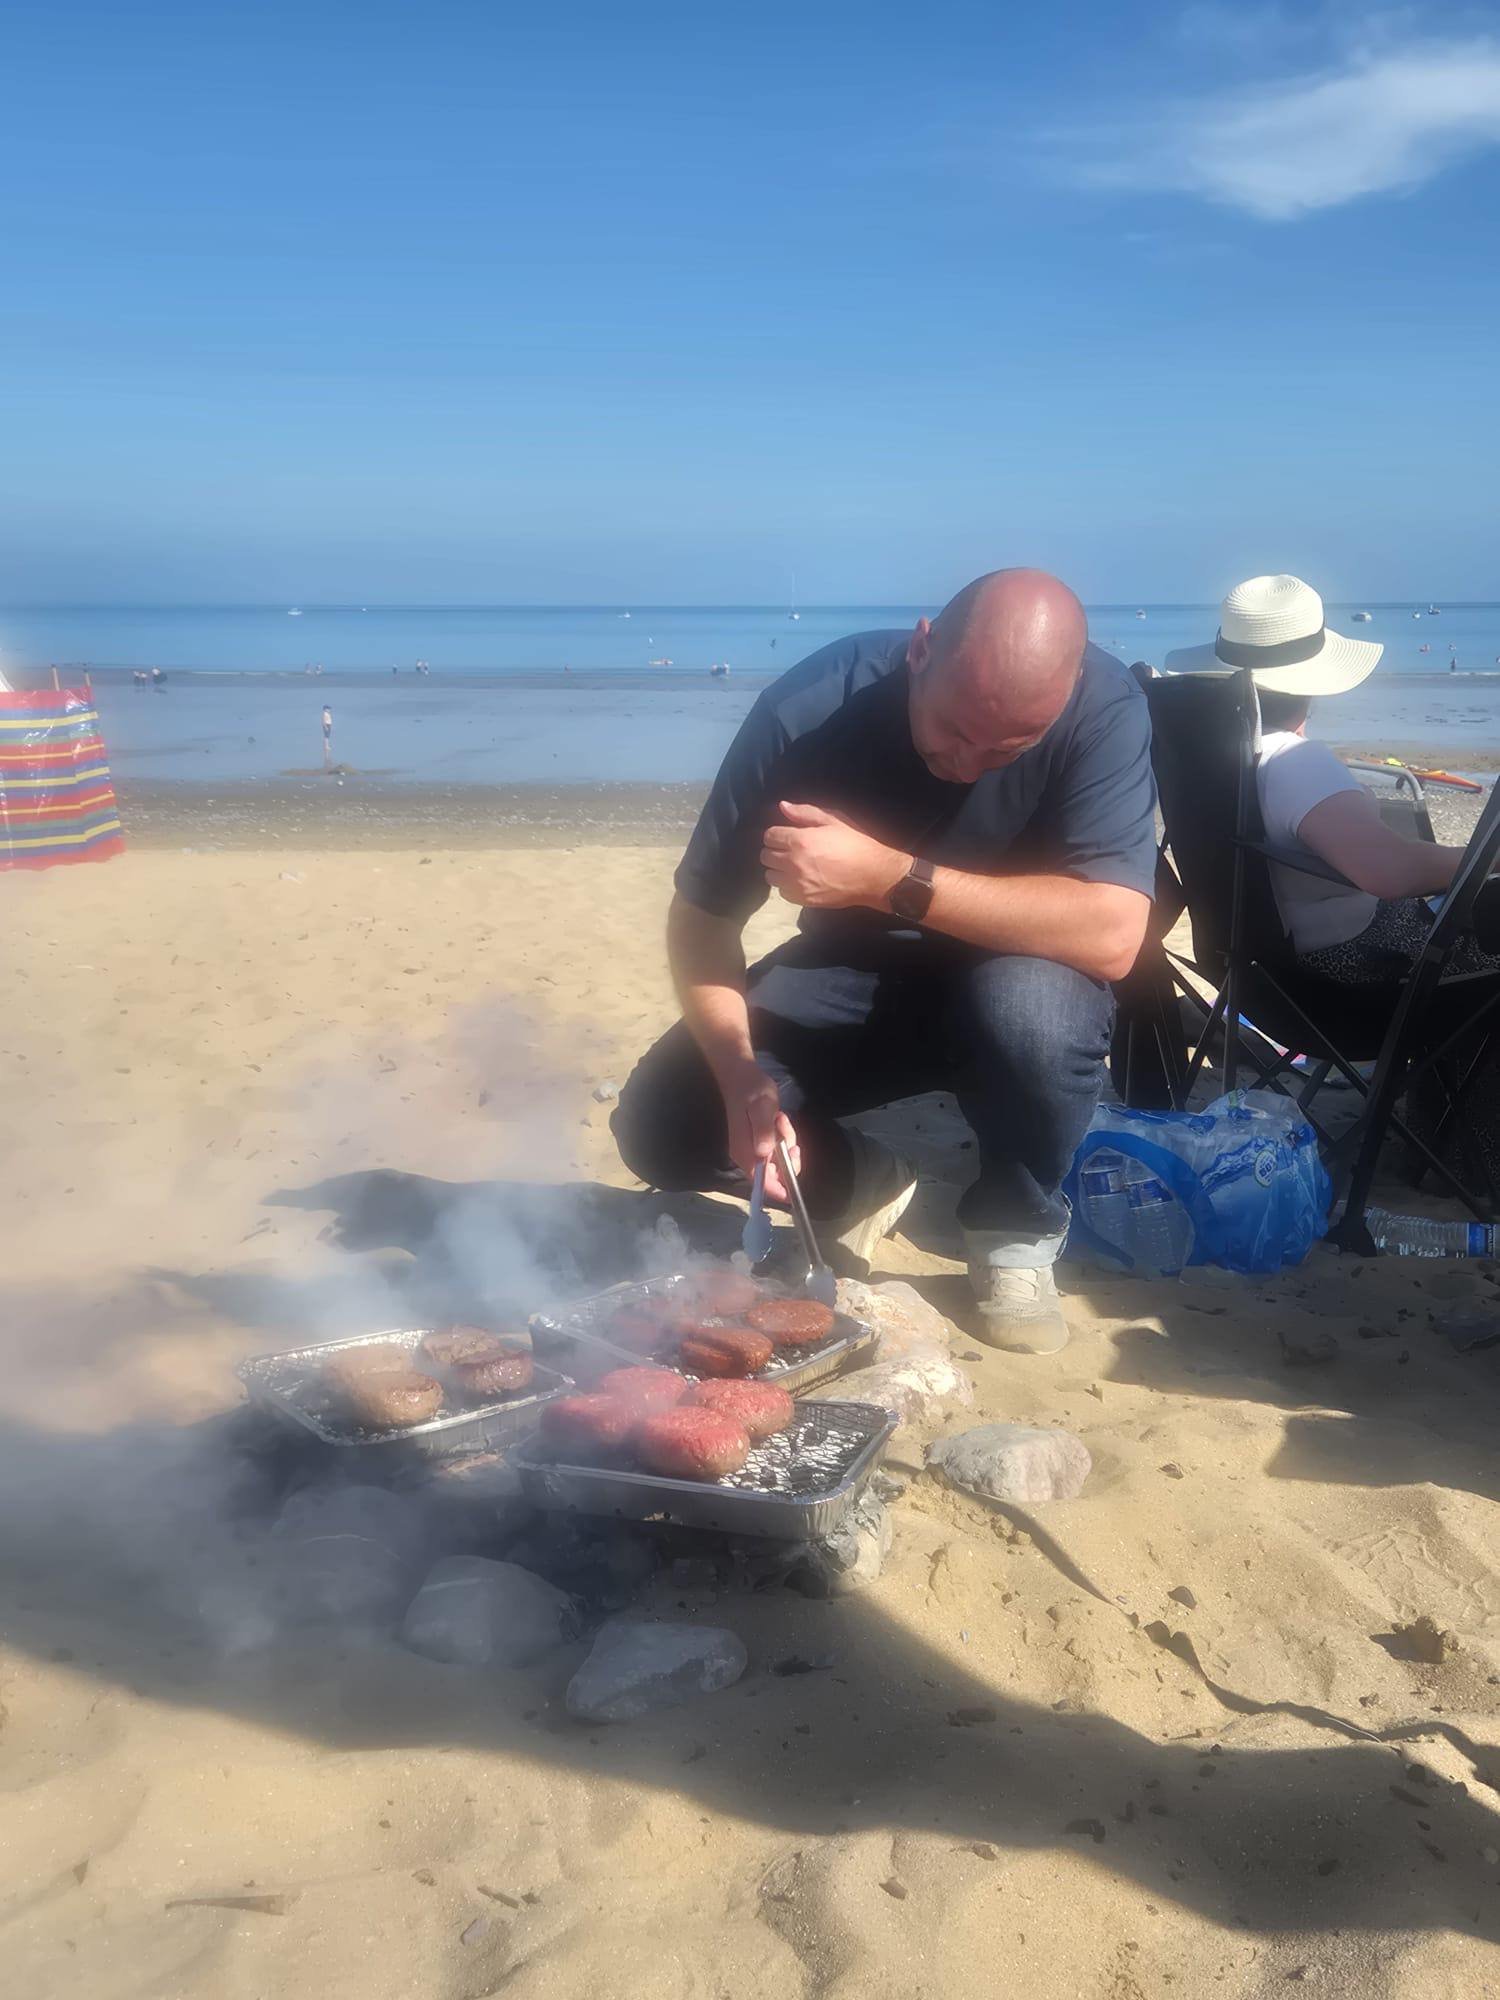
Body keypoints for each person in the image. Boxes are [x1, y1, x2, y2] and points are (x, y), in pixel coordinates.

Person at [610, 569, 1157, 1355]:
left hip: (1025, 975)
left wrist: (885, 878)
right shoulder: (809, 711)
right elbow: (702, 915)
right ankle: (861, 1178)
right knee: (663, 1127)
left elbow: (1113, 935)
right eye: (954, 729)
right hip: (850, 974)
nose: (968, 764)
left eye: (1009, 748)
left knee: (1029, 1012)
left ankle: (1014, 1226)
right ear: (921, 648)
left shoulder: (1105, 708)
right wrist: (738, 1077)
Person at [1164, 574, 1492, 985]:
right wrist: (1485, 858)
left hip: (1260, 976)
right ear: (1309, 687)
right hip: (1353, 976)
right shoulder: (1294, 761)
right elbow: (1391, 874)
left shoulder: (1214, 761)